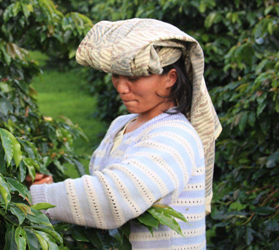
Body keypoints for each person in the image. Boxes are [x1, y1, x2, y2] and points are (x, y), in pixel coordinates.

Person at [29, 18, 222, 249]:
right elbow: (100, 193)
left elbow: (114, 198)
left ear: (170, 78)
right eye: (116, 76)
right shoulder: (121, 125)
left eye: (133, 78)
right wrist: (51, 191)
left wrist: (36, 198)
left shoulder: (175, 136)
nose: (121, 87)